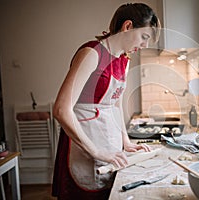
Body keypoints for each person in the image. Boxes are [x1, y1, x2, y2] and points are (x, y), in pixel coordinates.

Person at [51, 3, 160, 199]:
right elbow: (61, 109)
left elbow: (115, 105)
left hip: (109, 143)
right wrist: (96, 151)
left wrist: (125, 142)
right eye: (144, 37)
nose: (144, 45)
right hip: (83, 144)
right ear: (127, 27)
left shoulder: (124, 60)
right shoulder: (91, 54)